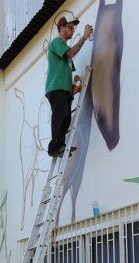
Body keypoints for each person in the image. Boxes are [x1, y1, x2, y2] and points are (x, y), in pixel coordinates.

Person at [46, 16, 93, 157]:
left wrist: (74, 83)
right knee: (60, 116)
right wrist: (84, 37)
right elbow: (72, 52)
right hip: (56, 88)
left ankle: (60, 146)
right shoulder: (56, 43)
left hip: (65, 90)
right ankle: (54, 147)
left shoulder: (65, 53)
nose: (73, 30)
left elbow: (64, 72)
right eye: (70, 27)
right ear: (61, 28)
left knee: (66, 118)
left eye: (74, 28)